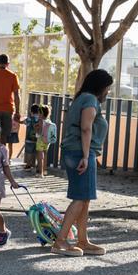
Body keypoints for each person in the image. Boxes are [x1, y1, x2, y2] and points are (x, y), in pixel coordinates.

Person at [51, 69, 114, 257]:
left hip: (78, 151)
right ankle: (60, 240)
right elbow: (86, 128)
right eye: (107, 88)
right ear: (100, 87)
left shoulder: (82, 98)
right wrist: (86, 157)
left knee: (84, 198)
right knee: (79, 199)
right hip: (80, 153)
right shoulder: (90, 100)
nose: (108, 92)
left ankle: (82, 240)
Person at [34, 105, 56, 177]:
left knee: (40, 157)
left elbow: (39, 132)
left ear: (42, 114)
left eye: (39, 113)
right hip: (47, 141)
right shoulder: (49, 121)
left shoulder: (41, 121)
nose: (38, 114)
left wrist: (36, 129)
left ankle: (40, 173)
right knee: (45, 155)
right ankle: (45, 170)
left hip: (40, 140)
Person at [22, 104, 41, 170]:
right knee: (37, 152)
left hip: (29, 139)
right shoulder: (40, 119)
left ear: (31, 111)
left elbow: (23, 122)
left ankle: (28, 165)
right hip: (38, 138)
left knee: (29, 152)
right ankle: (36, 164)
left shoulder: (29, 118)